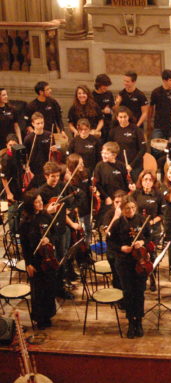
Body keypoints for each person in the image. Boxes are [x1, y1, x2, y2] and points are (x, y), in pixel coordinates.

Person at [108, 194, 152, 339]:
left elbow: (150, 237)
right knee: (128, 292)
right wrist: (121, 248)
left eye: (133, 208)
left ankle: (138, 321)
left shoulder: (142, 220)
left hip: (140, 261)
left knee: (139, 292)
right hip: (124, 262)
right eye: (127, 208)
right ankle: (131, 322)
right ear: (122, 209)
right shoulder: (117, 223)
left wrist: (143, 243)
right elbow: (110, 243)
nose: (131, 210)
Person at [38, 161, 80, 299]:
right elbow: (36, 212)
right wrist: (46, 210)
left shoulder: (62, 186)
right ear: (46, 176)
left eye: (57, 176)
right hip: (51, 231)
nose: (55, 179)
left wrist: (71, 217)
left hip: (63, 227)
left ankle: (63, 282)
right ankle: (57, 288)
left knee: (64, 257)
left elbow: (68, 205)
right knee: (56, 259)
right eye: (52, 176)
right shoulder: (42, 191)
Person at [19, 190, 57, 330]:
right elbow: (24, 245)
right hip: (35, 260)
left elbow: (55, 232)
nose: (41, 203)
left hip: (48, 257)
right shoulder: (25, 222)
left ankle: (48, 314)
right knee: (38, 290)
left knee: (49, 287)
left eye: (41, 200)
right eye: (37, 202)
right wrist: (28, 263)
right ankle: (39, 318)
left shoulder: (46, 215)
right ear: (30, 204)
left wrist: (49, 239)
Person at [132, 169, 165, 290]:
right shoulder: (136, 194)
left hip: (153, 229)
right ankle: (140, 278)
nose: (147, 182)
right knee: (139, 254)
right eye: (145, 179)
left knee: (152, 254)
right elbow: (131, 209)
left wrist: (151, 221)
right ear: (141, 181)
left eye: (150, 180)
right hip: (138, 228)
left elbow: (162, 214)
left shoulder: (159, 195)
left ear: (153, 182)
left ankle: (152, 277)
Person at [94, 141, 134, 221]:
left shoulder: (121, 165)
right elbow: (97, 184)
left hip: (120, 200)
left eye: (106, 153)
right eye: (103, 153)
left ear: (114, 155)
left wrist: (131, 184)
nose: (103, 155)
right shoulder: (99, 166)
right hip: (107, 199)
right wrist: (106, 197)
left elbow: (127, 179)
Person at [109, 106, 146, 181]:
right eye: (120, 117)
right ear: (117, 118)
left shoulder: (136, 130)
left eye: (125, 117)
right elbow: (110, 149)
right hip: (119, 166)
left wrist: (131, 165)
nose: (123, 119)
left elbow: (143, 149)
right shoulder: (113, 131)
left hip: (135, 166)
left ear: (128, 116)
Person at [23, 112, 57, 189]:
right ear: (33, 124)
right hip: (33, 169)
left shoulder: (49, 135)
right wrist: (27, 168)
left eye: (42, 123)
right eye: (38, 123)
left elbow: (57, 146)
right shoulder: (28, 138)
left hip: (46, 167)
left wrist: (56, 148)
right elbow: (25, 155)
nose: (40, 125)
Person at [149, 69, 171, 141]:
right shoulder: (156, 92)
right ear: (164, 80)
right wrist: (149, 122)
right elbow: (151, 108)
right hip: (158, 126)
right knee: (156, 148)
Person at [102, 190, 127, 289]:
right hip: (114, 251)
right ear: (113, 202)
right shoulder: (109, 214)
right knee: (117, 277)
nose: (119, 205)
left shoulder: (129, 212)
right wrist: (116, 217)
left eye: (122, 202)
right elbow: (107, 232)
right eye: (117, 202)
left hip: (126, 250)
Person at [0, 134, 24, 232]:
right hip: (10, 188)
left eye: (14, 145)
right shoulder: (6, 159)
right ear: (7, 145)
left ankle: (18, 230)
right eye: (10, 145)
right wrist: (9, 193)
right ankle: (13, 232)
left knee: (19, 210)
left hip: (18, 186)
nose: (12, 147)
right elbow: (3, 178)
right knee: (12, 211)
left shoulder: (18, 155)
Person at [92, 74, 115, 143]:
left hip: (108, 122)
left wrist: (110, 110)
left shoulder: (109, 94)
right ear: (99, 85)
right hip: (96, 124)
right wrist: (102, 111)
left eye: (107, 86)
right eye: (104, 86)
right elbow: (91, 111)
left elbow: (113, 108)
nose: (106, 88)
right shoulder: (92, 95)